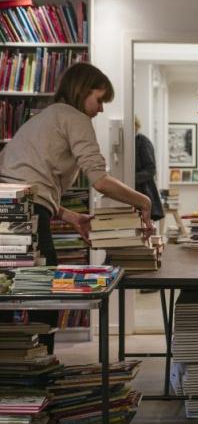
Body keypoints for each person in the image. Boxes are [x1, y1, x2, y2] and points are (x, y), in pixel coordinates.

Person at [0, 63, 155, 329]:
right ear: (82, 91)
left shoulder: (47, 116)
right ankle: (39, 354)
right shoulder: (75, 117)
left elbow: (29, 182)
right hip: (23, 211)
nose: (101, 109)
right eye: (99, 99)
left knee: (6, 291)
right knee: (44, 293)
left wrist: (68, 215)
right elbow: (100, 181)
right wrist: (144, 201)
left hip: (9, 204)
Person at [134, 115, 164, 221]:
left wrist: (132, 178)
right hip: (136, 190)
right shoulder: (131, 143)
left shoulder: (142, 141)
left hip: (143, 190)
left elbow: (151, 169)